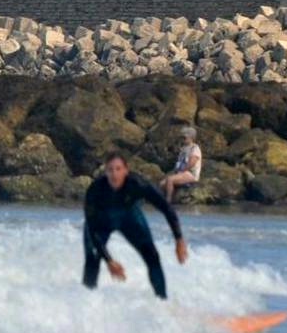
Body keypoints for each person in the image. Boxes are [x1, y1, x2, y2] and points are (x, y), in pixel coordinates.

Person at [83, 151, 188, 300]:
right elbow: (92, 229)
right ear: (105, 172)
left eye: (118, 169)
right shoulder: (95, 190)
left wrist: (179, 239)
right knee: (93, 258)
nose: (114, 174)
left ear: (126, 170)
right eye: (110, 170)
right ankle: (86, 301)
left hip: (129, 219)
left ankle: (162, 301)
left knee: (152, 256)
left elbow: (166, 209)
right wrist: (109, 260)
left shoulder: (138, 184)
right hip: (101, 223)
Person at [163, 126, 202, 203]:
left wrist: (182, 171)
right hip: (181, 172)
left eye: (185, 138)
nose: (183, 139)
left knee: (170, 180)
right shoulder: (183, 148)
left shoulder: (195, 148)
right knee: (162, 184)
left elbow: (192, 163)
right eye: (182, 138)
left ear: (191, 138)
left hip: (190, 174)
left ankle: (168, 201)